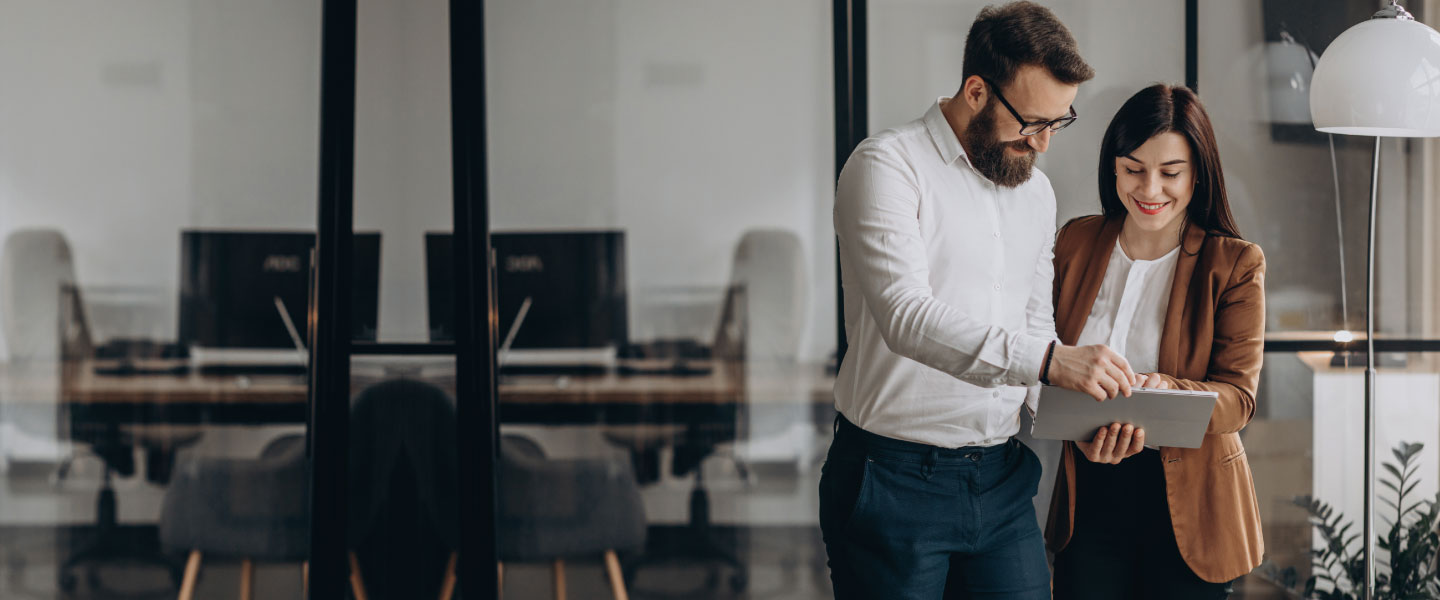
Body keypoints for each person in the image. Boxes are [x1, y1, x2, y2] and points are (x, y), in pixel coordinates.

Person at [824, 3, 1140, 598]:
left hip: (1000, 478)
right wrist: (1050, 361)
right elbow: (905, 317)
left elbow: (1032, 320)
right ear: (975, 91)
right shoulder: (886, 167)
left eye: (1058, 122)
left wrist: (1077, 417)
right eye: (1032, 123)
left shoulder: (1034, 193)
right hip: (892, 479)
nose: (1044, 144)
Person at [1045, 84, 1265, 599]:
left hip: (1194, 506)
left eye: (1170, 173)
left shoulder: (1233, 263)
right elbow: (1043, 354)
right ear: (1113, 167)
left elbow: (1238, 400)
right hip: (1090, 498)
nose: (1150, 189)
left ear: (1198, 174)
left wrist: (1164, 389)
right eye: (1133, 169)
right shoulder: (1075, 242)